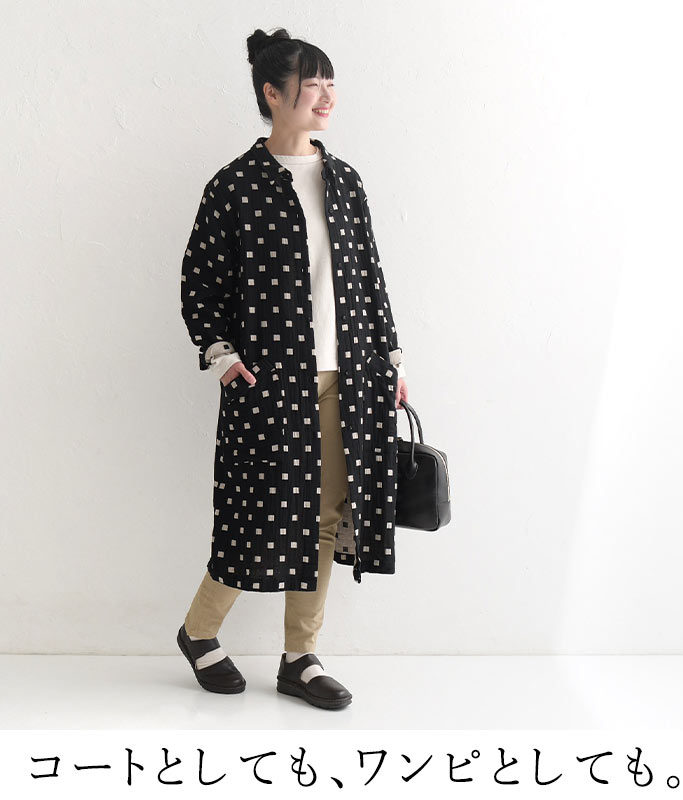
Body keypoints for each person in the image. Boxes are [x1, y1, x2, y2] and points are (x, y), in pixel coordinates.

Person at [177, 27, 408, 711]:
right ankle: (199, 631)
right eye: (313, 85)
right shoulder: (235, 186)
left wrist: (390, 358)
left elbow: (369, 277)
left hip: (351, 374)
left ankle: (300, 656)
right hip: (271, 380)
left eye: (331, 84)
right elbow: (200, 282)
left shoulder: (345, 180)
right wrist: (222, 355)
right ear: (273, 94)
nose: (327, 97)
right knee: (256, 513)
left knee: (328, 516)